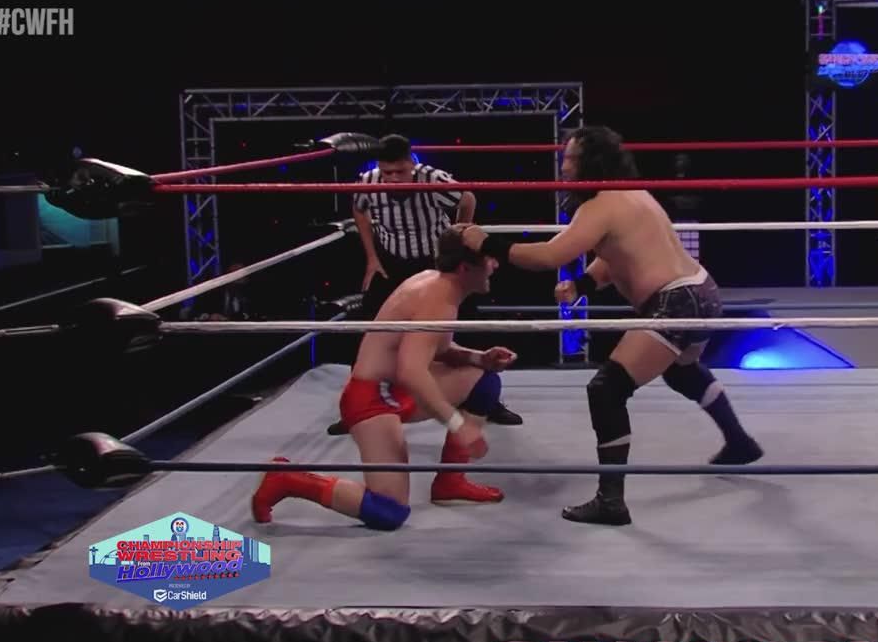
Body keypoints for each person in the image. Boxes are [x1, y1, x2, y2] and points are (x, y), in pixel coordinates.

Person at [461, 126, 762, 526]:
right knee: (682, 370)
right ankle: (739, 442)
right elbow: (616, 253)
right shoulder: (633, 193)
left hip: (674, 301)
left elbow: (548, 256)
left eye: (571, 158)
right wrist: (582, 285)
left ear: (592, 161)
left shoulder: (600, 204)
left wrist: (485, 243)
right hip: (701, 290)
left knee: (606, 390)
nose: (563, 165)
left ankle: (611, 501)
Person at [251, 225, 517, 530]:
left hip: (397, 388)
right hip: (372, 398)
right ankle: (288, 479)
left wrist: (479, 358)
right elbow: (412, 371)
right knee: (389, 512)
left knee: (484, 379)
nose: (495, 264)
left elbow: (438, 349)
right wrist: (459, 426)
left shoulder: (440, 287)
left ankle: (450, 482)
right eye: (489, 258)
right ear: (465, 268)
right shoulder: (436, 299)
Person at [325, 133, 523, 433]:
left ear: (412, 163)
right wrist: (372, 258)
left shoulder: (432, 178)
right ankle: (355, 407)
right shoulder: (369, 181)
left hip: (435, 261)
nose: (393, 179)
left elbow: (467, 198)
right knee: (371, 329)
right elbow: (359, 208)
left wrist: (459, 239)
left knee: (466, 323)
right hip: (392, 260)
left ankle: (488, 399)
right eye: (387, 172)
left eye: (400, 171)